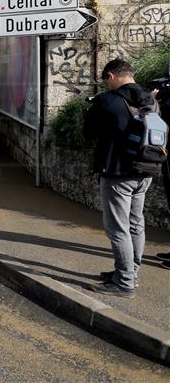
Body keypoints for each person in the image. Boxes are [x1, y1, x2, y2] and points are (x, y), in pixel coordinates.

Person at [83, 59, 157, 298]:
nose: (107, 84)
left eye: (106, 80)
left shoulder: (107, 101)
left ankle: (124, 282)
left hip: (117, 173)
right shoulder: (150, 99)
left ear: (112, 76)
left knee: (118, 228)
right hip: (146, 170)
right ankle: (129, 273)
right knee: (136, 223)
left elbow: (88, 133)